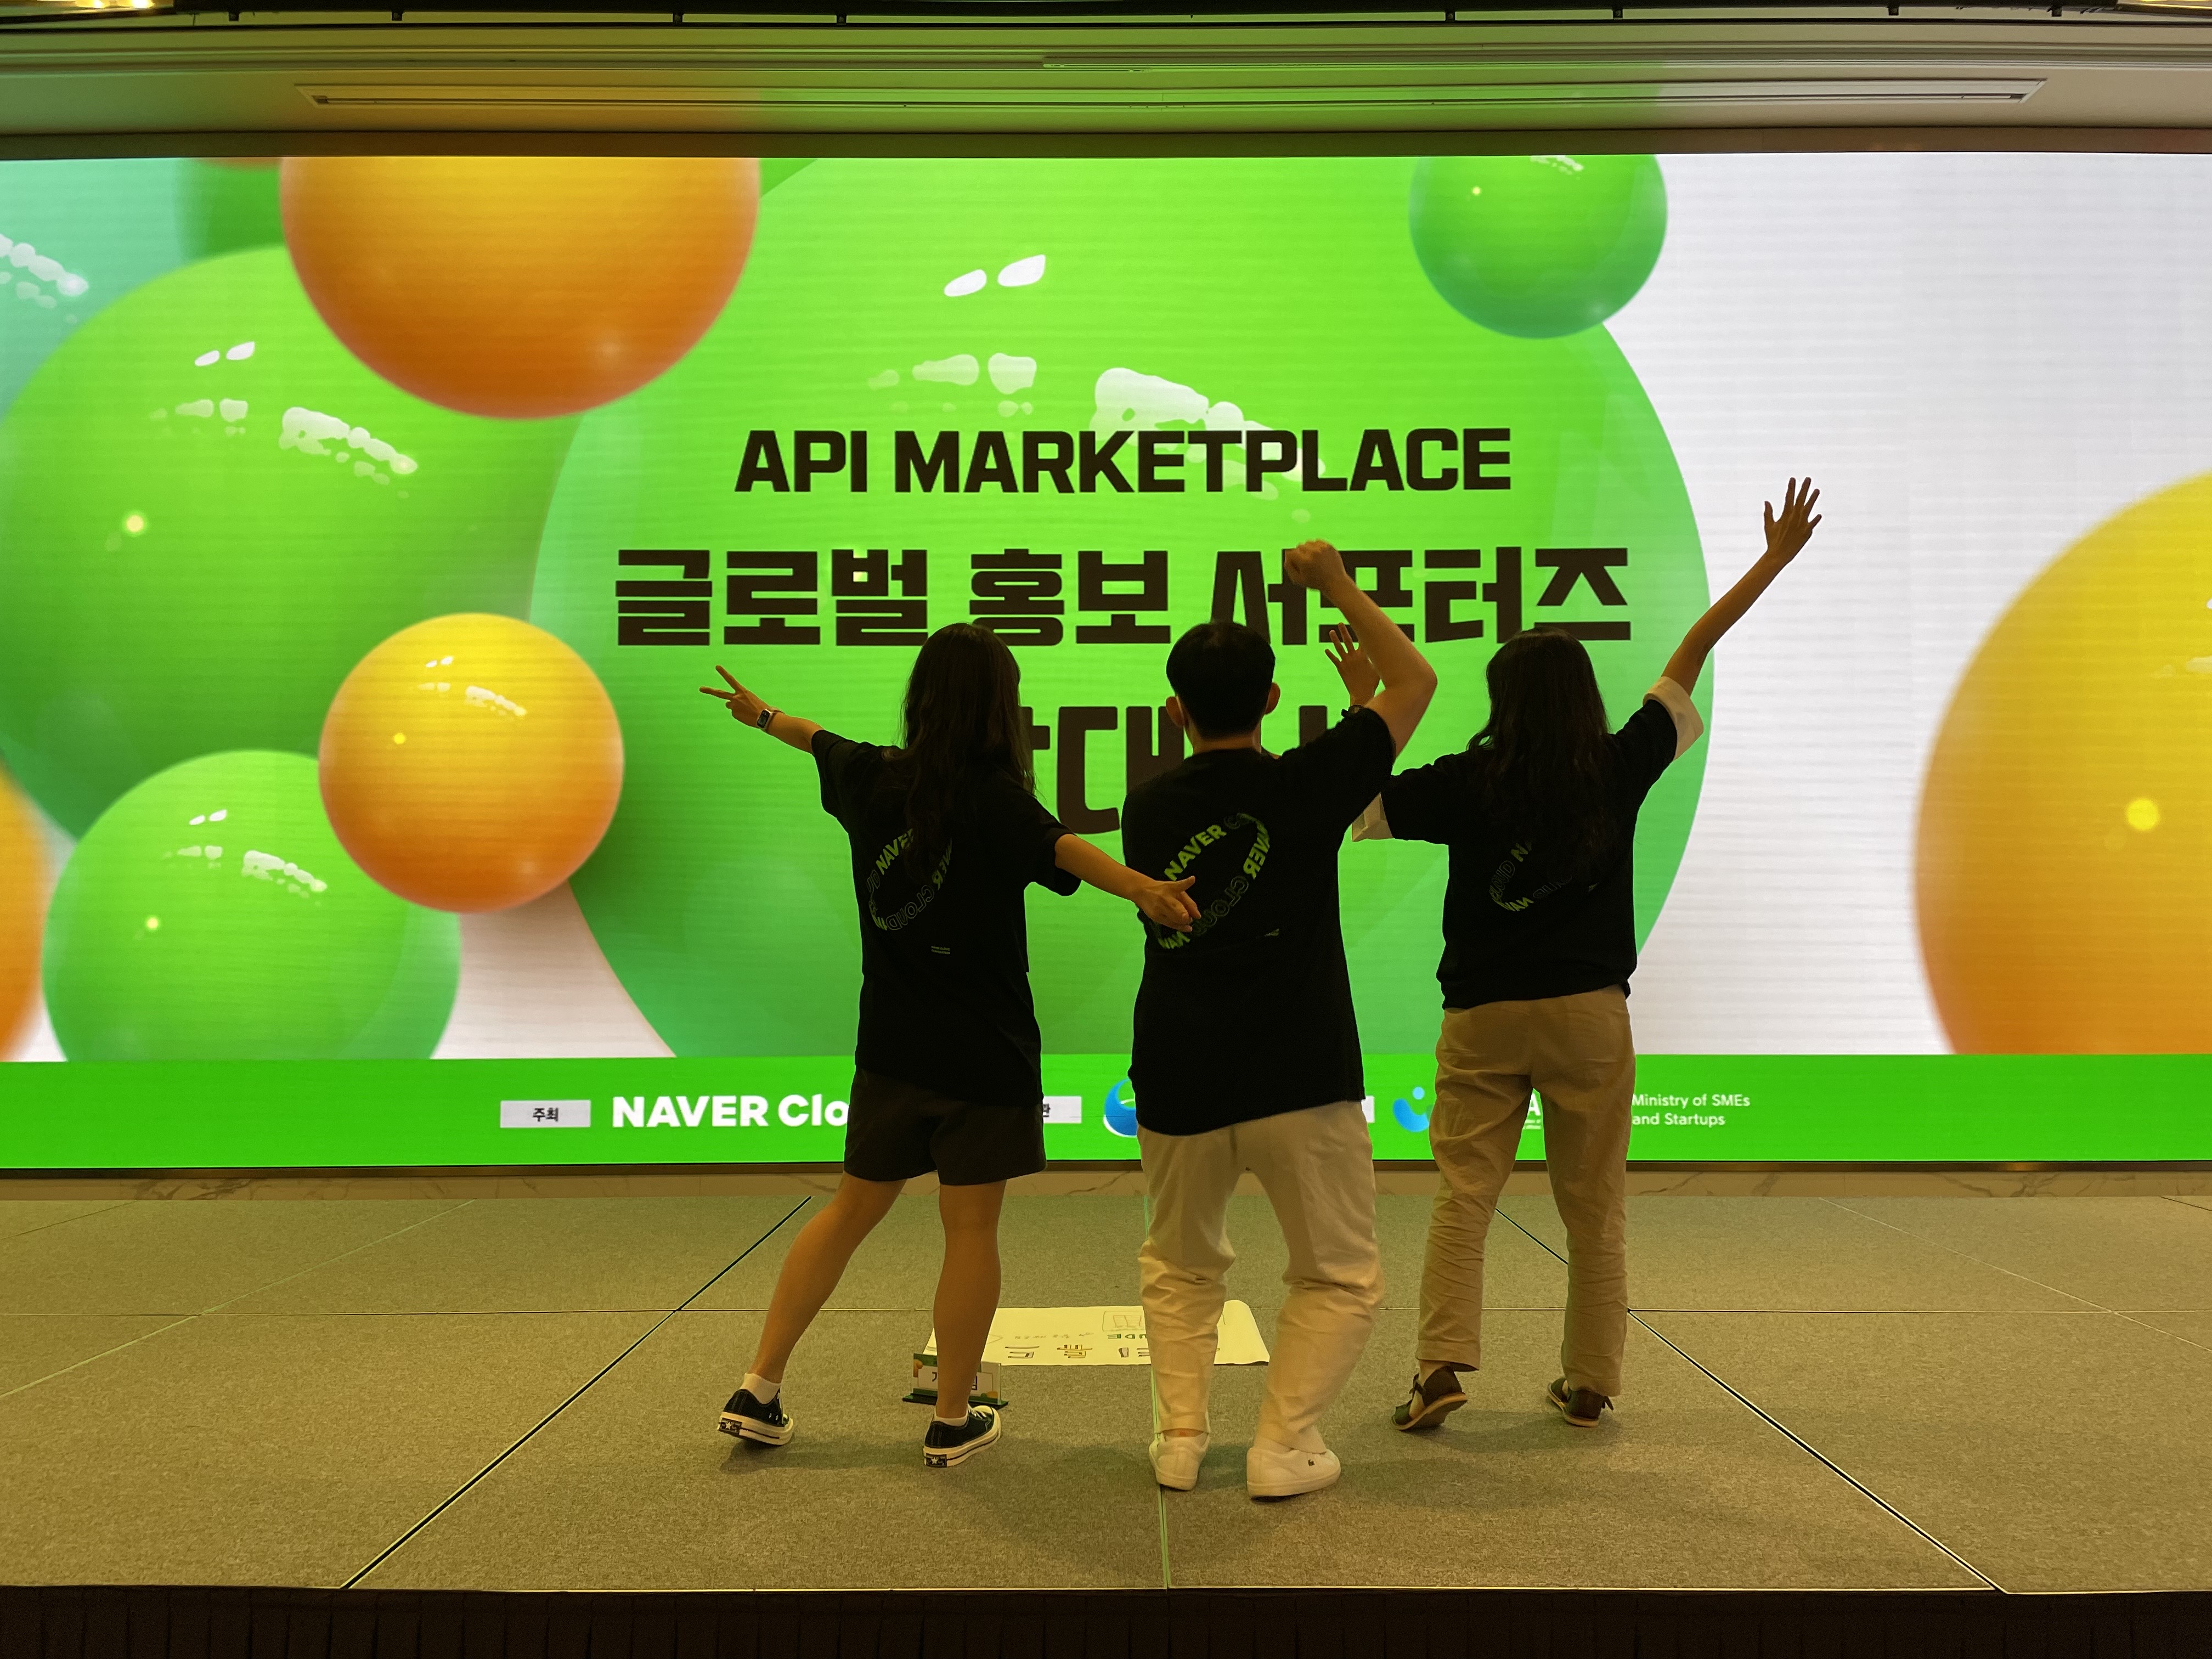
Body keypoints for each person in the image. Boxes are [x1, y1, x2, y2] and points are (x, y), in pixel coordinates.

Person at [1342, 478, 1822, 1437]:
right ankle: (1591, 1381)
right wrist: (1770, 563)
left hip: (1482, 1018)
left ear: (1501, 699)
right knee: (1595, 1208)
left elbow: (1366, 803)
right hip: (1591, 1017)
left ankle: (1439, 1370)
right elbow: (1691, 655)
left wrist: (1365, 705)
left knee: (1464, 1199)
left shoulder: (1469, 778)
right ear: (1583, 697)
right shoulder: (1620, 761)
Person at [700, 623, 1200, 1469]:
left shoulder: (869, 775)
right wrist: (1144, 889)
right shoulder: (995, 797)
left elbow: (813, 737)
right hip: (985, 1050)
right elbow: (1066, 852)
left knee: (849, 1210)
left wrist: (762, 715)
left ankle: (758, 1387)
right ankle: (951, 1419)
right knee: (970, 1229)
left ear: (921, 698)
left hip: (891, 1047)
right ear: (1002, 710)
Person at [1120, 539, 1438, 1500]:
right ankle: (1283, 1445)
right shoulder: (1307, 783)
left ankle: (1181, 1439)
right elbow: (1415, 681)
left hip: (1179, 1070)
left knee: (1181, 1267)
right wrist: (1334, 583)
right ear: (1269, 699)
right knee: (1338, 1274)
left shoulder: (1145, 807)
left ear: (1175, 711)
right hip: (1302, 1070)